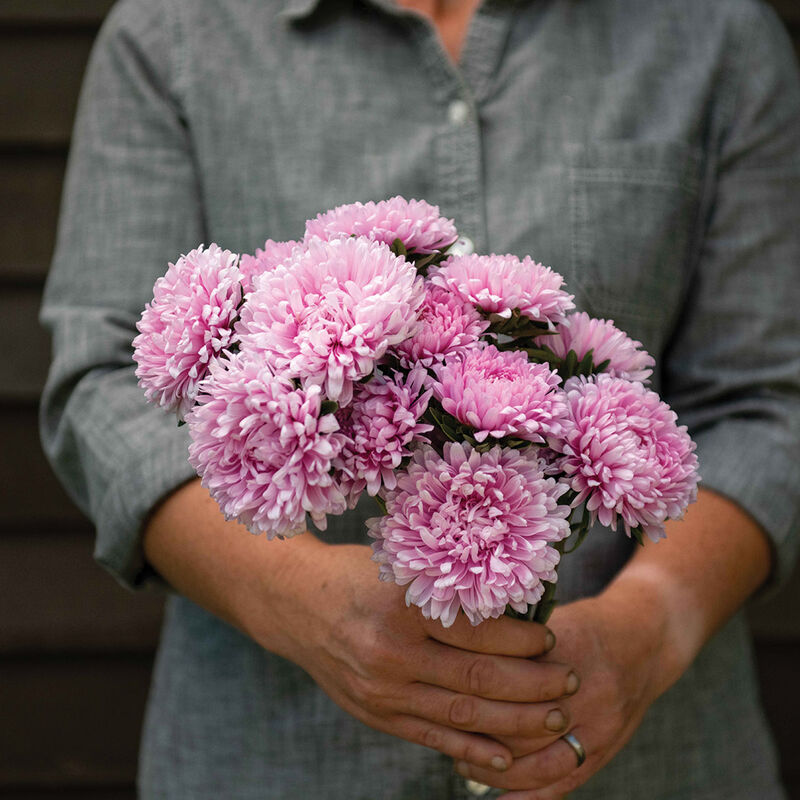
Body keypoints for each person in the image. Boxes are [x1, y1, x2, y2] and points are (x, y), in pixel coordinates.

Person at [40, 0, 800, 797]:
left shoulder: (714, 32)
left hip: (657, 763)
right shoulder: (171, 33)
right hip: (276, 759)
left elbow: (769, 401)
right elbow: (102, 380)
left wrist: (646, 631)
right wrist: (302, 603)